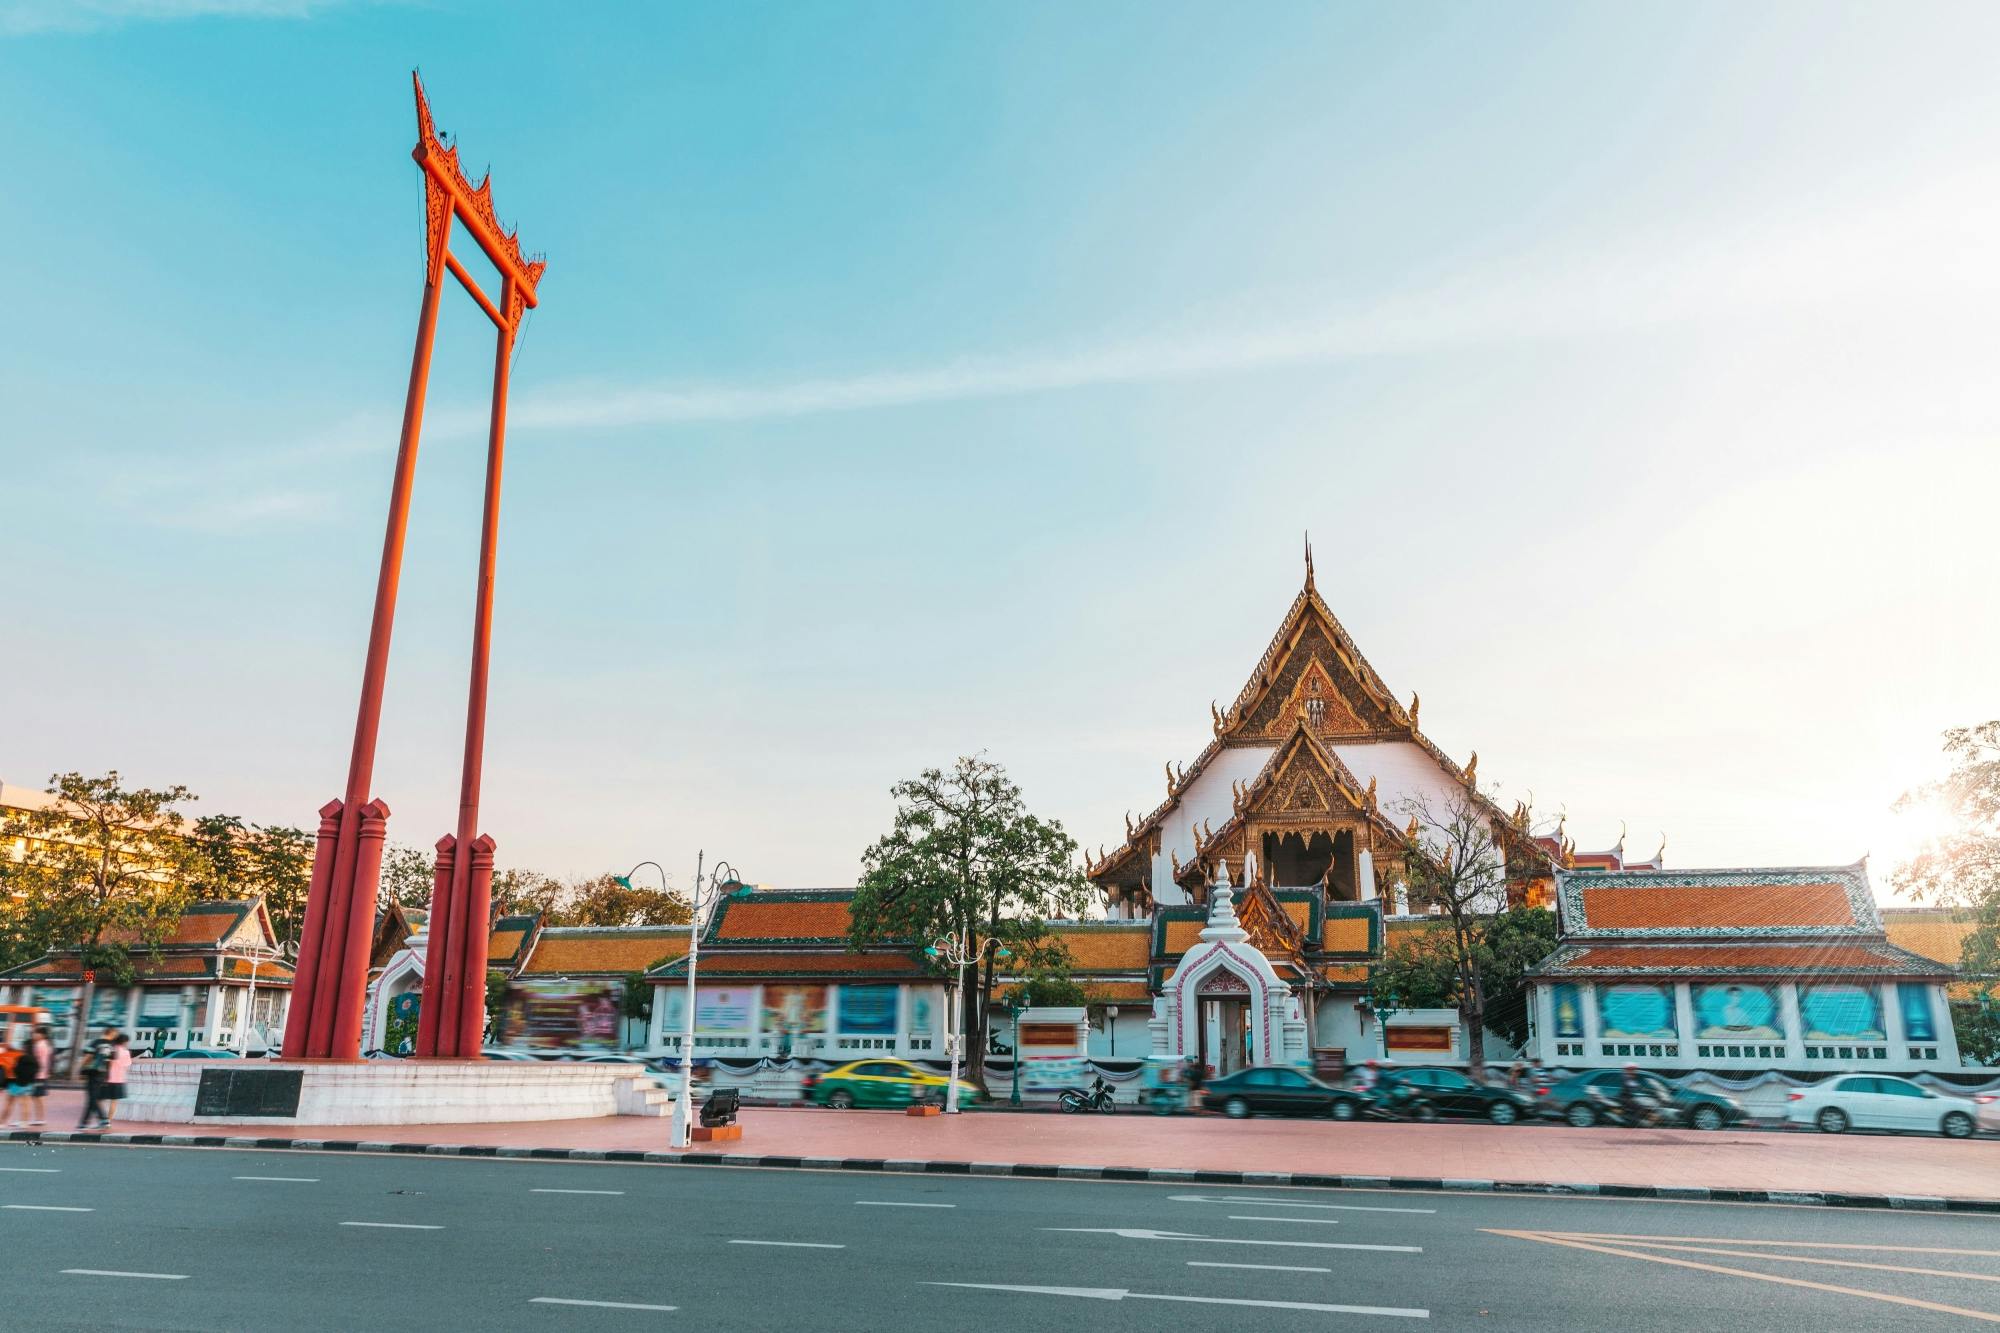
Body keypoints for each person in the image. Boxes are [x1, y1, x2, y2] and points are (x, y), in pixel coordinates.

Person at [77, 1027, 117, 1131]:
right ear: (111, 1033)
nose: (115, 1036)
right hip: (103, 1074)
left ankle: (103, 1119)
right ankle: (84, 1122)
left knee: (92, 1098)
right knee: (93, 1097)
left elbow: (88, 1056)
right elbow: (111, 1062)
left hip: (93, 1072)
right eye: (115, 1034)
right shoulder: (112, 1046)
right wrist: (108, 1074)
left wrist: (80, 1067)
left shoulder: (96, 1042)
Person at [4, 1036, 39, 1128]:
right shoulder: (34, 1058)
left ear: (25, 1047)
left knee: (9, 1103)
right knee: (25, 1104)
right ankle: (24, 1122)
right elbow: (36, 1070)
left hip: (16, 1083)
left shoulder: (20, 1057)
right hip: (29, 1084)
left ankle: (2, 1122)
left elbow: (15, 1069)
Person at [27, 1026, 54, 1126]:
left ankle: (40, 1119)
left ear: (42, 1035)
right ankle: (39, 1118)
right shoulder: (47, 1044)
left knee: (37, 1097)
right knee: (36, 1097)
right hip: (42, 1074)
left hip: (38, 1074)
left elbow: (37, 1061)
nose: (34, 1035)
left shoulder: (39, 1045)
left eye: (36, 1033)